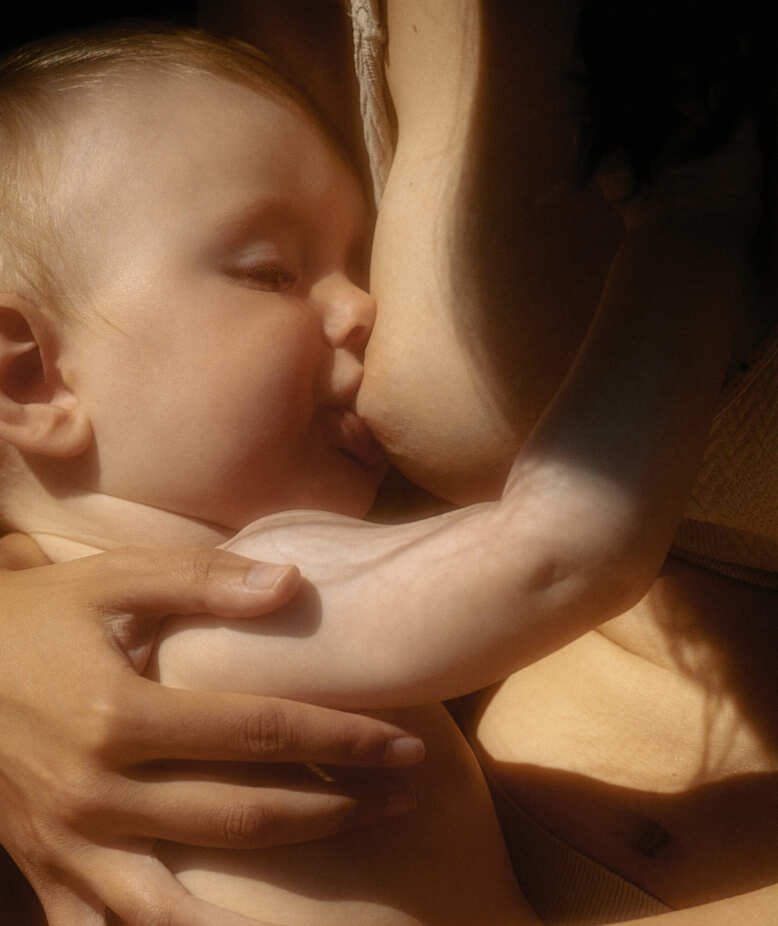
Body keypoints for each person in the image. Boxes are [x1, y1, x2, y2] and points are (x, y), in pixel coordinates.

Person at [2, 3, 777, 925]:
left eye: (359, 262)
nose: (364, 308)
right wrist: (689, 235)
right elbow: (567, 548)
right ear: (31, 379)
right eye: (270, 271)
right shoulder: (225, 609)